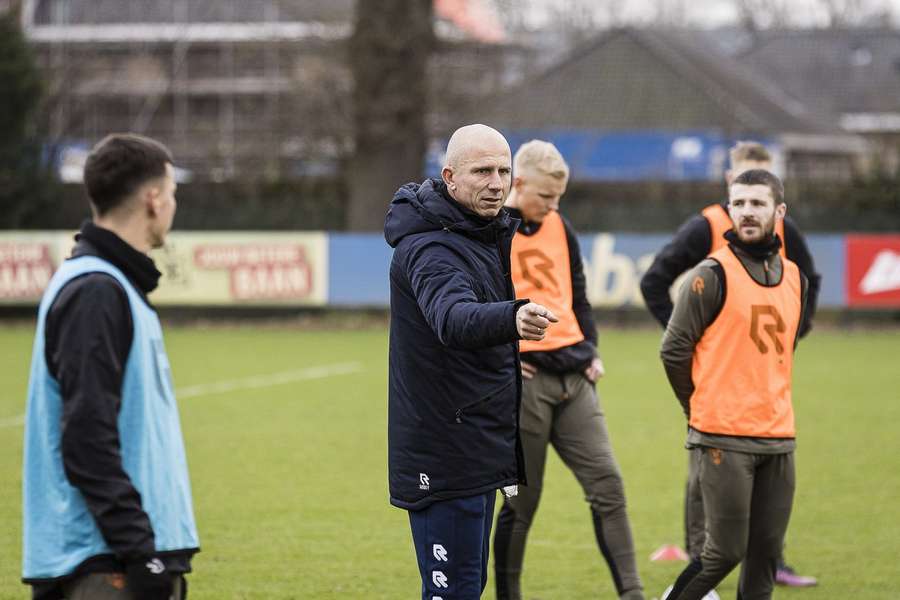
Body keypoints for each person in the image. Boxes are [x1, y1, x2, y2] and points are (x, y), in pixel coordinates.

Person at [22, 134, 199, 600]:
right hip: (104, 566)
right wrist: (141, 553)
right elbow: (86, 438)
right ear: (153, 199)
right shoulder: (96, 291)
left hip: (116, 557)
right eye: (173, 193)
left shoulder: (112, 283)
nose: (174, 205)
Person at [384, 124, 558, 600]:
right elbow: (453, 319)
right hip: (444, 451)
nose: (497, 182)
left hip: (475, 444)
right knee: (453, 592)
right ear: (450, 177)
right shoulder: (431, 247)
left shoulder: (477, 234)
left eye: (504, 170)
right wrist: (513, 317)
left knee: (466, 587)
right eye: (483, 171)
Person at [640, 141, 818, 588]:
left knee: (764, 557)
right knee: (722, 554)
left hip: (779, 435)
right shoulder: (709, 274)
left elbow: (781, 349)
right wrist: (698, 404)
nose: (747, 212)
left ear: (780, 210)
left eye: (757, 203)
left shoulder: (795, 277)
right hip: (723, 434)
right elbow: (672, 351)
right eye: (739, 204)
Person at [492, 140, 644, 600]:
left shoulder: (562, 227)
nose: (554, 207)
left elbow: (578, 295)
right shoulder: (492, 230)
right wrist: (504, 355)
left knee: (608, 486)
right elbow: (478, 308)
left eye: (559, 198)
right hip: (526, 383)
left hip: (576, 378)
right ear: (518, 184)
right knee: (522, 501)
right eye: (546, 198)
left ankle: (633, 594)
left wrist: (591, 347)